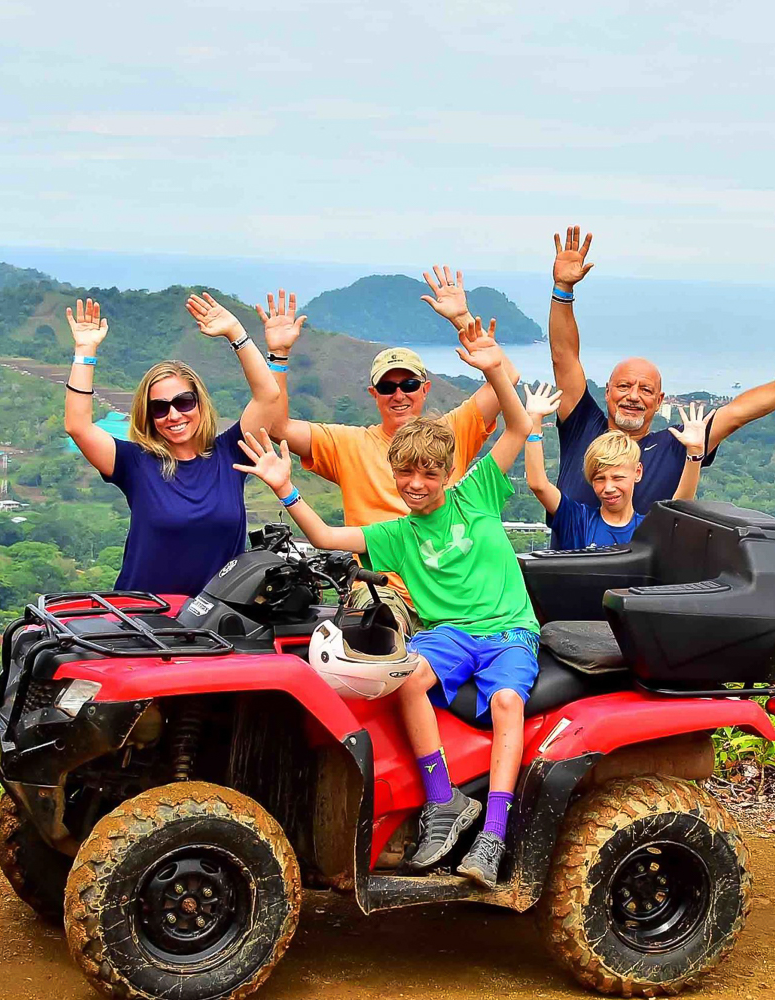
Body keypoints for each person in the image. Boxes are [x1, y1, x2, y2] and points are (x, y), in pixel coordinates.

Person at [235, 318, 537, 889]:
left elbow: (517, 426)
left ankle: (495, 828)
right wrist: (284, 488)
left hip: (507, 631)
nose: (417, 483)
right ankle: (442, 801)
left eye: (428, 473)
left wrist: (495, 365)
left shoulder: (478, 493)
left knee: (505, 704)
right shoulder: (395, 533)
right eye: (406, 474)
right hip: (449, 631)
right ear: (394, 475)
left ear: (449, 472)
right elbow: (325, 537)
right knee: (407, 677)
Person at [250, 268, 518, 631]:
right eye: (387, 387)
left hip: (448, 582)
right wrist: (278, 355)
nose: (399, 394)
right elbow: (276, 427)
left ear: (425, 389)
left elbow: (508, 376)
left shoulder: (450, 431)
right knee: (381, 624)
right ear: (374, 394)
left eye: (408, 384)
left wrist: (463, 320)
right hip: (381, 584)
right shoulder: (347, 443)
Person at [546, 225, 775, 514]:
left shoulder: (678, 444)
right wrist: (562, 289)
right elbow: (564, 356)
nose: (633, 396)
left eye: (646, 389)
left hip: (646, 570)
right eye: (624, 386)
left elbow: (740, 412)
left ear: (660, 399)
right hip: (569, 565)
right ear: (608, 390)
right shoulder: (583, 426)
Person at [63, 294, 283, 597]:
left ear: (200, 404)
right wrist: (85, 351)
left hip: (218, 619)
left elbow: (269, 396)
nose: (173, 415)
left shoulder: (231, 453)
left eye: (183, 402)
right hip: (145, 619)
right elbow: (78, 426)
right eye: (160, 407)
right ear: (148, 415)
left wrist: (236, 332)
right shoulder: (134, 463)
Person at [523, 383, 711, 548]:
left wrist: (694, 452)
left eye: (618, 477)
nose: (609, 488)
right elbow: (538, 484)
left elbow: (679, 506)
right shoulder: (577, 520)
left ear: (637, 472)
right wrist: (534, 422)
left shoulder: (649, 529)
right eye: (600, 479)